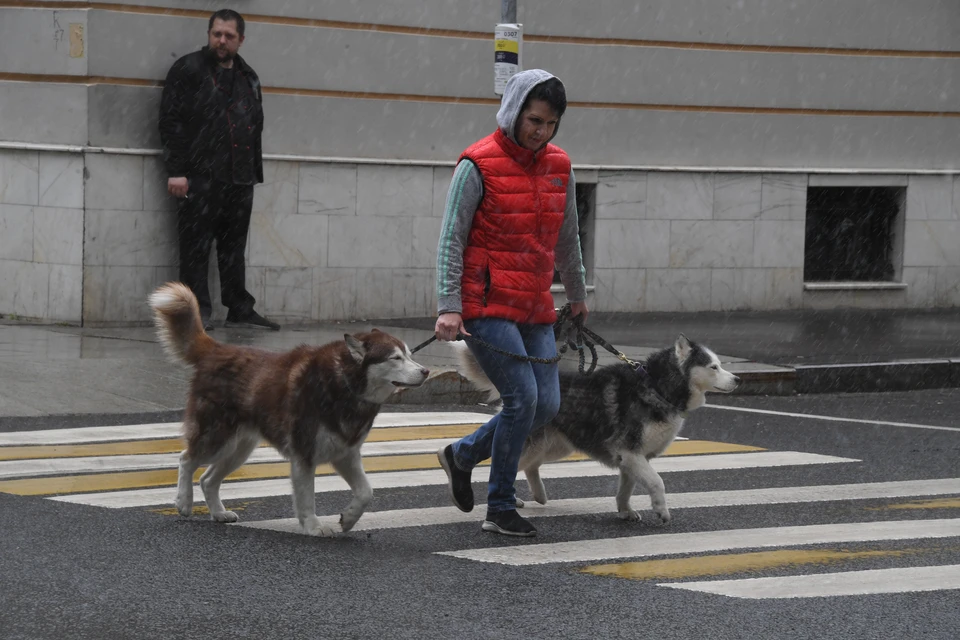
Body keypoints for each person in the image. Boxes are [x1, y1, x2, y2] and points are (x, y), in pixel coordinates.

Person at [434, 69, 589, 537]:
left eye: (551, 124)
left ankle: (461, 455)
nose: (541, 131)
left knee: (545, 406)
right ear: (515, 110)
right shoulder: (477, 164)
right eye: (535, 120)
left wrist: (577, 295)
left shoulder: (560, 166)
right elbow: (451, 239)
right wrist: (448, 304)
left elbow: (568, 238)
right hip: (484, 303)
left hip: (534, 303)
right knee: (522, 400)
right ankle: (499, 506)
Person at [158, 9, 279, 331]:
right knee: (196, 248)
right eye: (216, 34)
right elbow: (170, 122)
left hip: (239, 178)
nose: (221, 41)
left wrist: (252, 173)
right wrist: (177, 170)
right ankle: (196, 312)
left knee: (233, 249)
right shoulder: (188, 69)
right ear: (209, 34)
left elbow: (255, 125)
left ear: (241, 40)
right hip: (199, 176)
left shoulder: (248, 76)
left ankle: (239, 307)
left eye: (228, 36)